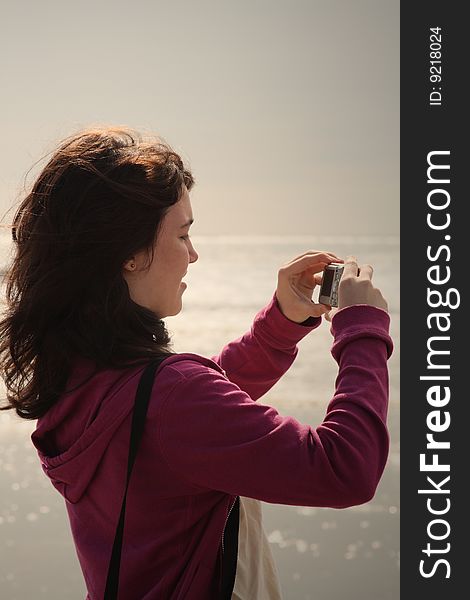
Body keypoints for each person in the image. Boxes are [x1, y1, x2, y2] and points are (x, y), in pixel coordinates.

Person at [0, 126, 393, 600]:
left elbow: (192, 413)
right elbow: (346, 468)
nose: (194, 254)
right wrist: (362, 330)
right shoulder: (172, 398)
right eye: (183, 234)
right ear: (128, 253)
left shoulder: (76, 374)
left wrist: (282, 323)